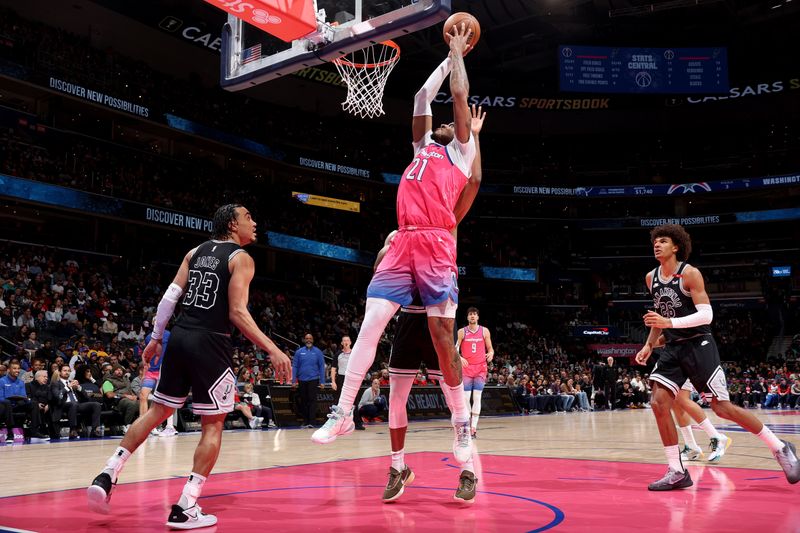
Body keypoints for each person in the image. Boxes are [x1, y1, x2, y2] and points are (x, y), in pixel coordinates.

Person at [311, 24, 478, 473]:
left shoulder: (461, 153)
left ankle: (461, 423)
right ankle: (343, 411)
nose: (445, 123)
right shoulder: (423, 145)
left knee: (445, 342)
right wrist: (446, 57)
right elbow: (424, 98)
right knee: (371, 323)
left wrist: (460, 54)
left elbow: (458, 99)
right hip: (403, 239)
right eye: (442, 124)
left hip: (438, 243)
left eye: (451, 124)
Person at [87, 204, 292, 529]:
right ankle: (186, 505)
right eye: (248, 217)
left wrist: (156, 338)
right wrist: (273, 349)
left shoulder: (194, 252)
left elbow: (170, 297)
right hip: (210, 342)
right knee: (213, 425)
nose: (254, 222)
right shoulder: (241, 258)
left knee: (156, 412)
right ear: (231, 223)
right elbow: (237, 312)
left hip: (180, 336)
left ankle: (107, 474)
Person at [635, 224, 800, 491]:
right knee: (658, 402)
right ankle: (677, 471)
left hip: (699, 344)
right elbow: (659, 314)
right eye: (655, 241)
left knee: (722, 408)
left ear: (675, 247)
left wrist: (668, 322)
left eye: (663, 241)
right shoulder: (650, 277)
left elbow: (706, 316)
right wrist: (649, 344)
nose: (657, 245)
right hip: (674, 348)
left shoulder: (690, 274)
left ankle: (781, 448)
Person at [381, 103, 486, 505]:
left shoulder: (449, 214)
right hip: (409, 317)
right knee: (395, 398)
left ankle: (468, 472)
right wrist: (387, 252)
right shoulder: (404, 224)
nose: (444, 125)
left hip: (439, 316)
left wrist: (474, 136)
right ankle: (397, 466)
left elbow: (475, 179)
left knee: (452, 399)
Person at [456, 307, 494, 437]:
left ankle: (473, 427)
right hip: (466, 368)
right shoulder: (462, 332)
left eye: (475, 314)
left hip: (480, 368)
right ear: (467, 317)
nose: (472, 316)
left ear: (478, 317)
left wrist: (491, 353)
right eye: (470, 314)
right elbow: (455, 349)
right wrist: (460, 358)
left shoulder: (484, 331)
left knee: (477, 397)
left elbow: (490, 348)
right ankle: (466, 425)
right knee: (466, 399)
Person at [672, 380, 730, 462]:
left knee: (682, 400)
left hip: (682, 368)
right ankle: (691, 446)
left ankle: (716, 437)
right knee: (676, 403)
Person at [142, 325, 177, 437]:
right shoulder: (148, 337)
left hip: (165, 369)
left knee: (165, 398)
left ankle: (170, 426)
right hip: (151, 370)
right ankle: (146, 427)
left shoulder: (168, 334)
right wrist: (144, 371)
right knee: (145, 396)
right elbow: (147, 354)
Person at [51, 364, 102, 439]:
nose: (67, 372)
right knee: (73, 404)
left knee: (96, 404)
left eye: (68, 371)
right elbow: (58, 396)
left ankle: (95, 430)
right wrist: (68, 387)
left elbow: (87, 397)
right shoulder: (55, 383)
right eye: (64, 370)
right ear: (59, 372)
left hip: (77, 404)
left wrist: (79, 388)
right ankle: (73, 430)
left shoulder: (73, 382)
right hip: (63, 405)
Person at [330, 335, 364, 430]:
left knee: (355, 401)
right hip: (341, 379)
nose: (345, 342)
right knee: (338, 401)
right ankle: (336, 424)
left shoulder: (355, 354)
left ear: (350, 342)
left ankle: (357, 423)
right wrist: (333, 381)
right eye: (344, 340)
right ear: (341, 343)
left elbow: (360, 366)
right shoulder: (338, 354)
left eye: (347, 340)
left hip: (353, 379)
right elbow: (333, 369)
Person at [292, 333, 326, 428]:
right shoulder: (299, 352)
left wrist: (322, 381)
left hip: (313, 379)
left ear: (313, 340)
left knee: (312, 401)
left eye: (310, 338)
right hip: (302, 380)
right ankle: (305, 421)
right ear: (304, 340)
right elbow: (295, 366)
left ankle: (312, 422)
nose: (308, 340)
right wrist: (294, 381)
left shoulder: (318, 352)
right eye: (306, 338)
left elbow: (321, 367)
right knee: (303, 401)